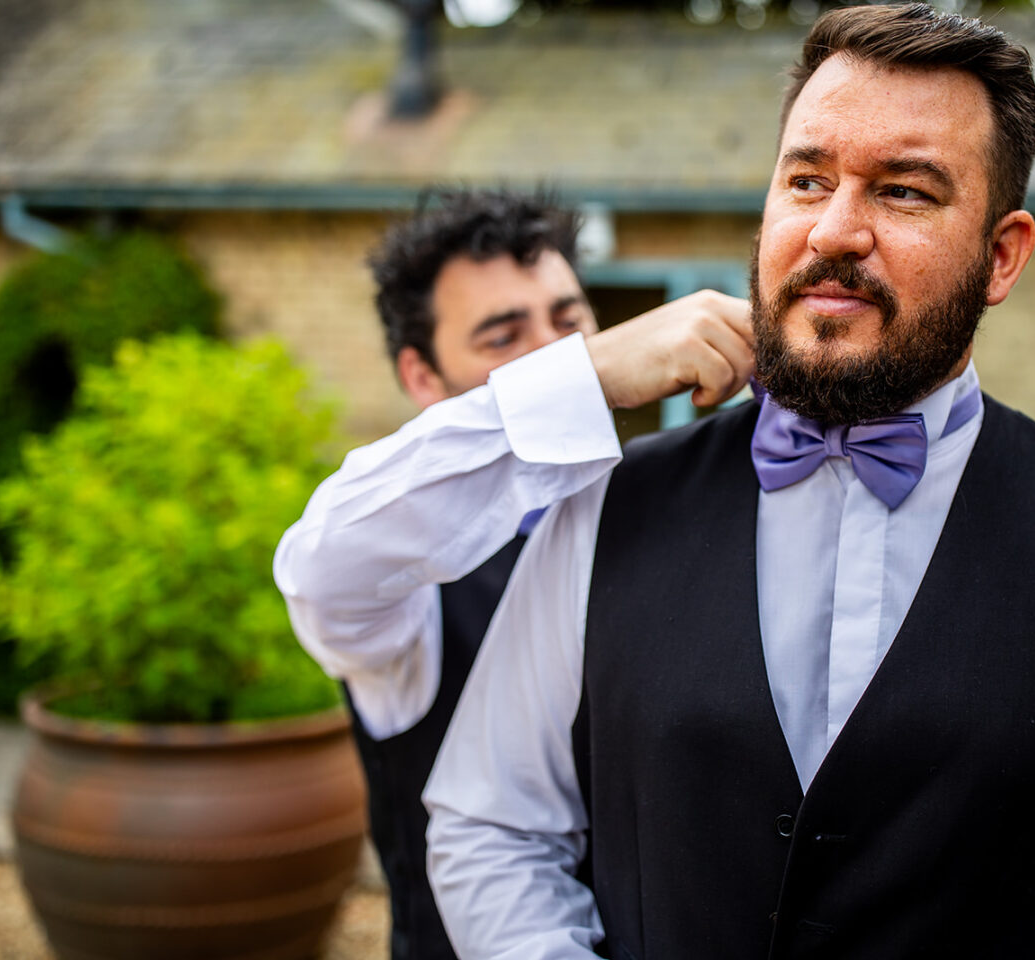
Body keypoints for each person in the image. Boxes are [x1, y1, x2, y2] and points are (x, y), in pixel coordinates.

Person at [424, 6, 1035, 959]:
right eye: (807, 180)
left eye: (903, 192)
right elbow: (491, 828)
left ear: (1002, 255)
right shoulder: (602, 511)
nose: (835, 231)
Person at [273, 189, 752, 960]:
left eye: (570, 322)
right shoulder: (407, 589)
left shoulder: (673, 514)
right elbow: (318, 569)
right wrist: (581, 375)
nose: (556, 350)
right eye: (504, 335)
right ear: (422, 377)